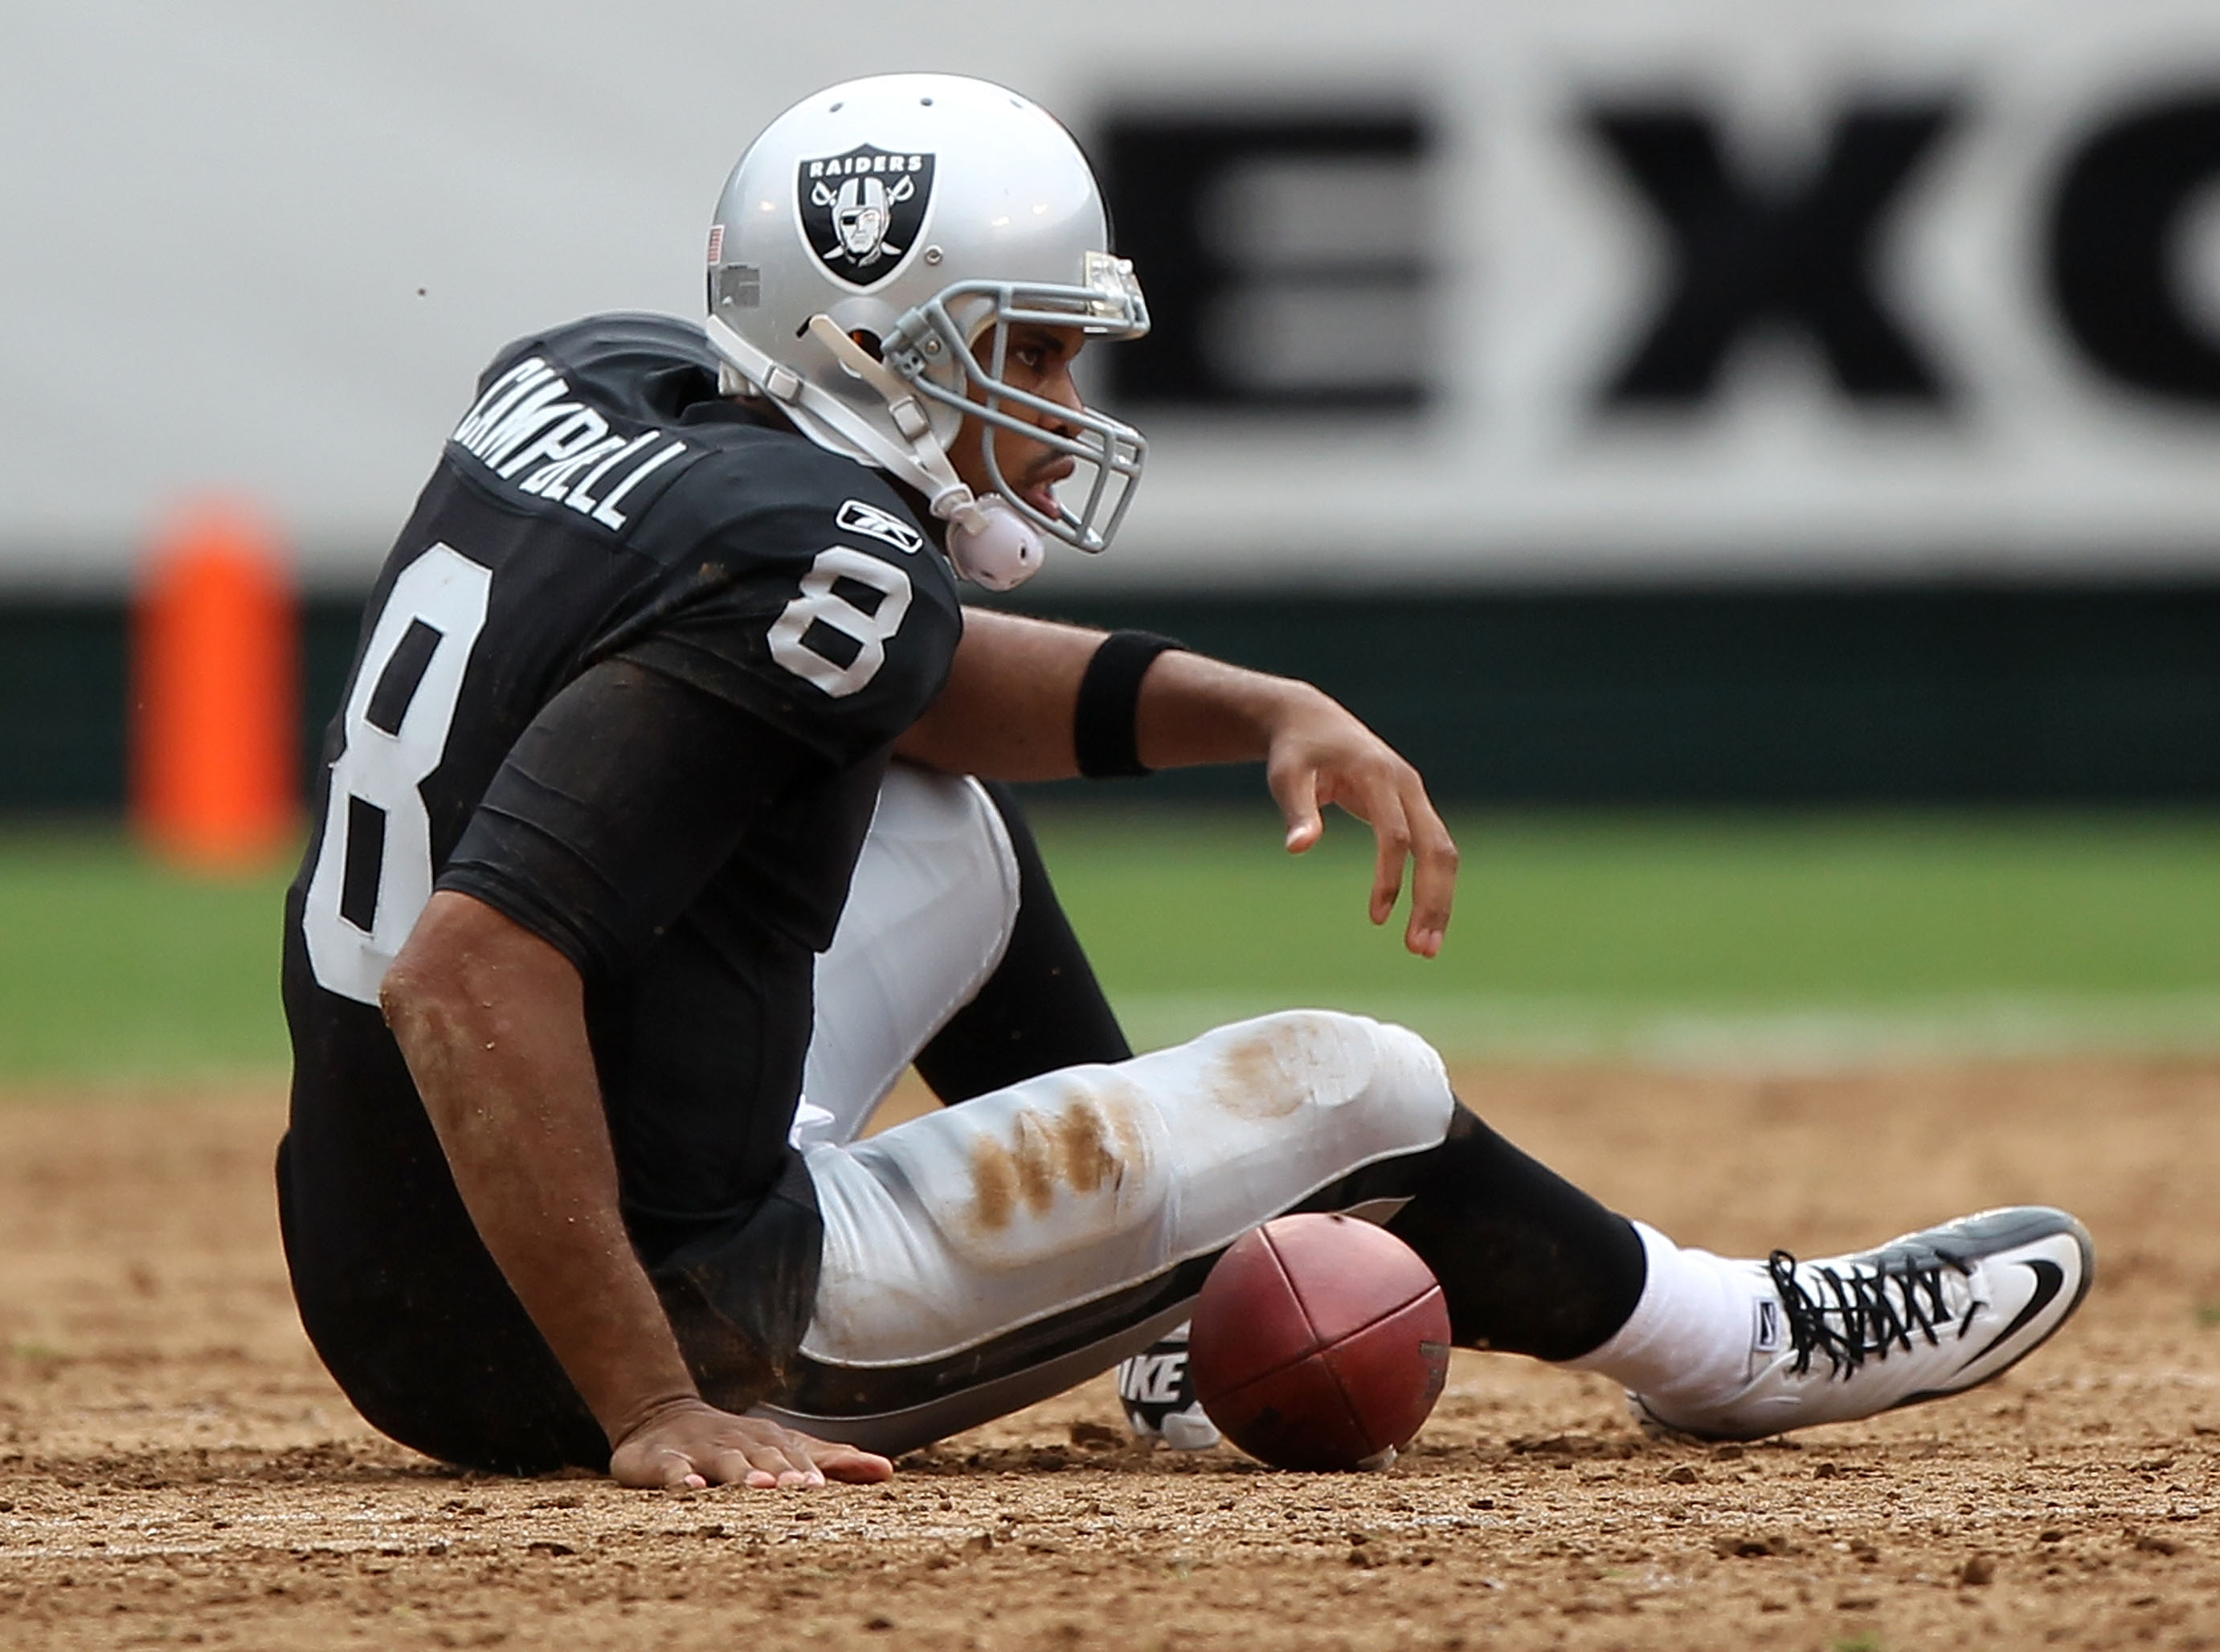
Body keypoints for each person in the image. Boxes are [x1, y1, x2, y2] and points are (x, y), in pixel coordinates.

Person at [277, 73, 2092, 1492]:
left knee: (942, 827)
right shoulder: (818, 559)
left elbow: (897, 683)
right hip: (593, 1307)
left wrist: (1259, 704)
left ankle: (1149, 1320)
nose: (1063, 394)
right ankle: (1735, 1338)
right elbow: (469, 970)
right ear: (880, 345)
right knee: (1361, 1085)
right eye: (1033, 347)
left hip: (391, 1229)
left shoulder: (605, 381)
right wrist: (657, 1398)